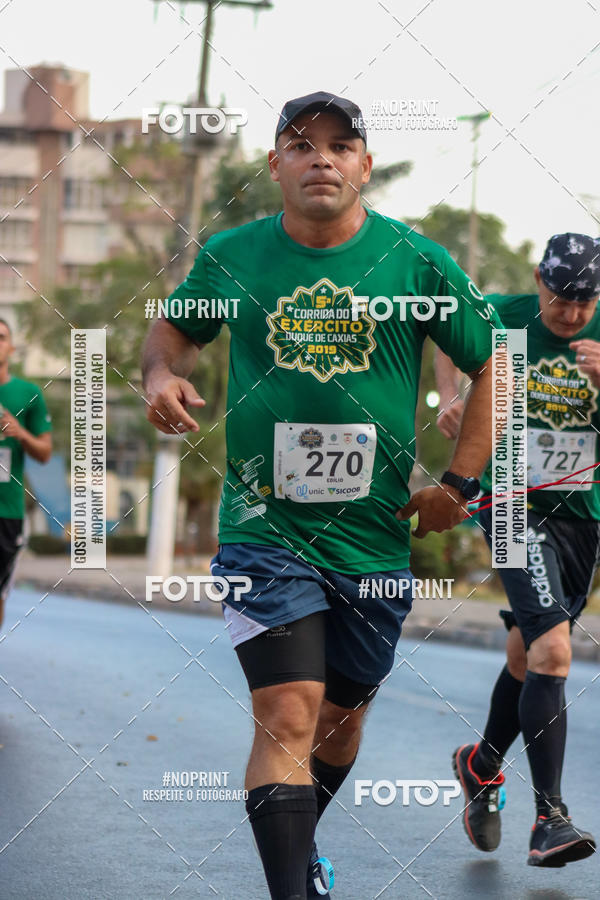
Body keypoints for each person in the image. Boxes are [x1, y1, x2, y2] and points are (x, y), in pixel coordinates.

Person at [143, 90, 501, 900]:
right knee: (290, 715)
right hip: (263, 529)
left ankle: (300, 847)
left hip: (373, 539)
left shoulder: (415, 262)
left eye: (342, 146)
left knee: (339, 726)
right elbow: (174, 333)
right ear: (276, 166)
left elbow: (492, 363)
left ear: (365, 167)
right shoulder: (234, 255)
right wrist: (163, 376)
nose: (322, 158)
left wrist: (461, 483)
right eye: (302, 145)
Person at [436, 233, 599, 868]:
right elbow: (443, 333)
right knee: (554, 648)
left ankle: (480, 764)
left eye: (586, 301)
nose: (572, 313)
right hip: (509, 503)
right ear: (540, 280)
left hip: (581, 518)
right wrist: (452, 394)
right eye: (562, 298)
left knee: (529, 655)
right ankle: (550, 818)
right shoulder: (504, 317)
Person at [0, 318, 53, 629]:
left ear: (11, 347)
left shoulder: (28, 394)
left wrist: (19, 432)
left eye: (1, 337)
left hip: (6, 511)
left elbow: (44, 452)